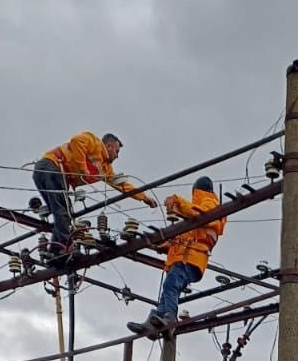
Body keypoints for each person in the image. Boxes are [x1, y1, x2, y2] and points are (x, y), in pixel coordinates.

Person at [127, 177, 225, 335]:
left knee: (171, 285)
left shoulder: (209, 203)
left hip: (191, 259)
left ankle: (170, 319)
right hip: (186, 258)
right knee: (167, 289)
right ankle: (155, 322)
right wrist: (160, 245)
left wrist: (178, 201)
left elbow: (199, 214)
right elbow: (183, 238)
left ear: (197, 190)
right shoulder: (196, 218)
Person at [32, 131, 156, 257]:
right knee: (62, 212)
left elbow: (122, 185)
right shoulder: (94, 142)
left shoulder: (105, 168)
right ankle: (61, 249)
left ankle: (56, 249)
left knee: (63, 212)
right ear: (109, 146)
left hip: (47, 172)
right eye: (117, 151)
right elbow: (76, 141)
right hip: (52, 166)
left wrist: (143, 197)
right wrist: (83, 168)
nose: (117, 156)